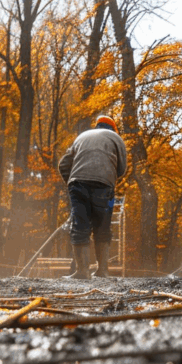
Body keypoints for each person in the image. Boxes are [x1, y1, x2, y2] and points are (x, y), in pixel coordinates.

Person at [58, 116, 127, 279]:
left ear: (97, 126)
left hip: (78, 184)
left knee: (79, 225)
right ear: (113, 129)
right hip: (105, 186)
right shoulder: (116, 138)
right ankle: (102, 271)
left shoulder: (81, 136)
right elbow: (122, 169)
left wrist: (72, 184)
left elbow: (63, 165)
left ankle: (82, 271)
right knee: (103, 226)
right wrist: (107, 177)